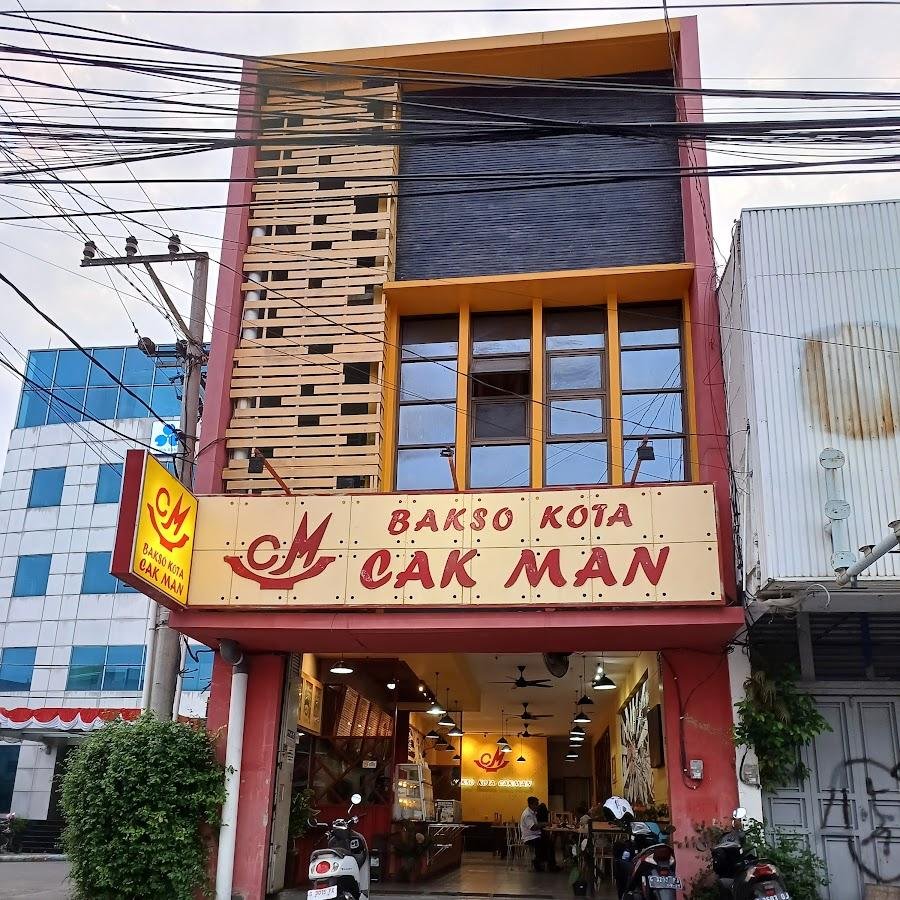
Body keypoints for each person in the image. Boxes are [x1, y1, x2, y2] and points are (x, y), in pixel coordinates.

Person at [519, 796, 545, 871]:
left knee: (548, 842)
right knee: (541, 843)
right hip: (529, 837)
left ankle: (544, 863)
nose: (537, 805)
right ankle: (537, 863)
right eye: (536, 804)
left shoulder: (533, 813)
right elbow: (533, 827)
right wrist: (544, 824)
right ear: (531, 804)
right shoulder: (527, 814)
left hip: (534, 836)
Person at [535, 801, 559, 872]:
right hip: (539, 837)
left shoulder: (536, 816)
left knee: (548, 844)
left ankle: (545, 863)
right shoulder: (543, 817)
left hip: (537, 836)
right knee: (550, 845)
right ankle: (551, 865)